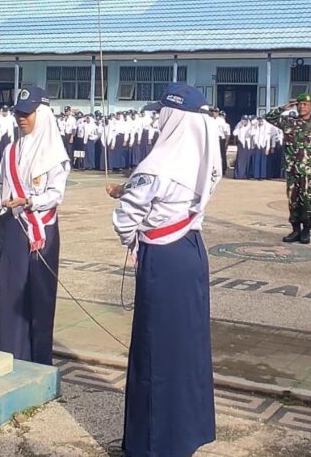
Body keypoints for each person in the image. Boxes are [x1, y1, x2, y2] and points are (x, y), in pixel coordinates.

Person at [106, 82, 222, 457]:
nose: (158, 118)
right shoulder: (204, 161)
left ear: (172, 117)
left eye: (162, 112)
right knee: (186, 350)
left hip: (163, 258)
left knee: (155, 351)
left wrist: (132, 241)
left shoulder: (157, 163)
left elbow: (126, 220)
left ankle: (153, 445)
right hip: (190, 250)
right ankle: (185, 434)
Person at [0, 87, 69, 366]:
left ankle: (38, 361)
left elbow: (56, 195)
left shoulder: (55, 154)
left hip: (41, 230)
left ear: (41, 115)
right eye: (18, 113)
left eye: (27, 113)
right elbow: (0, 186)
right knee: (9, 292)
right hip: (12, 228)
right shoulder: (9, 150)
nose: (21, 118)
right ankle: (10, 356)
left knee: (39, 296)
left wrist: (30, 201)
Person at [265, 94, 311, 245]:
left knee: (307, 201)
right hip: (292, 169)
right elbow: (269, 117)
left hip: (309, 170)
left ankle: (306, 230)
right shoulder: (289, 123)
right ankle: (295, 229)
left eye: (305, 104)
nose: (302, 107)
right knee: (293, 200)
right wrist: (283, 108)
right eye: (300, 104)